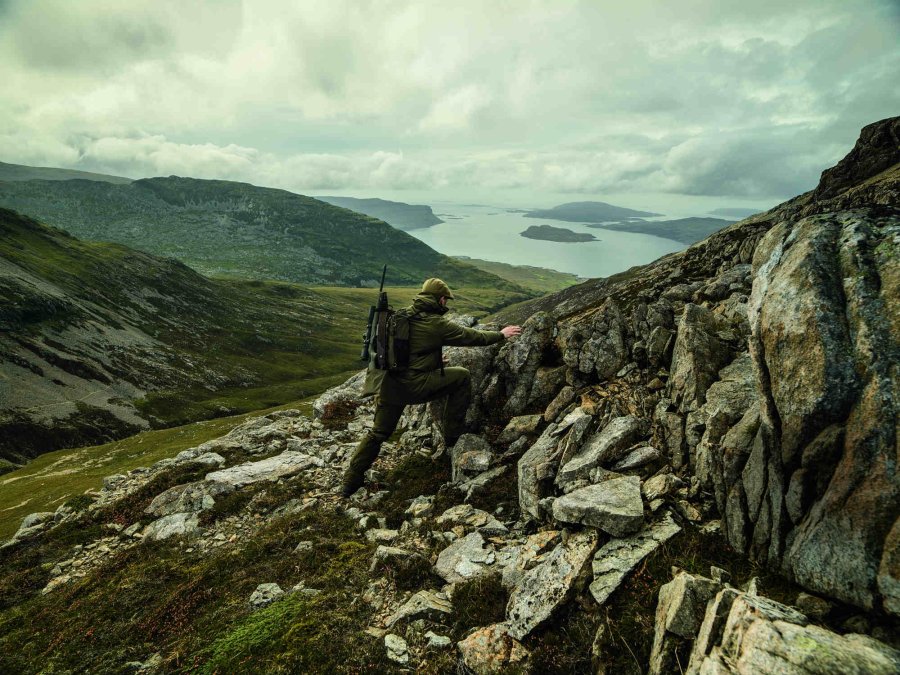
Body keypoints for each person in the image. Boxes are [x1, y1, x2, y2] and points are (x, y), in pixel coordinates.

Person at [340, 277, 522, 497]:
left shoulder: (400, 316)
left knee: (378, 433)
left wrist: (433, 362)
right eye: (446, 301)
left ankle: (350, 482)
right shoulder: (436, 324)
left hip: (389, 385)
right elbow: (470, 336)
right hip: (414, 386)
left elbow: (407, 351)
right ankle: (453, 438)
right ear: (441, 299)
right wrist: (501, 335)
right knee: (462, 377)